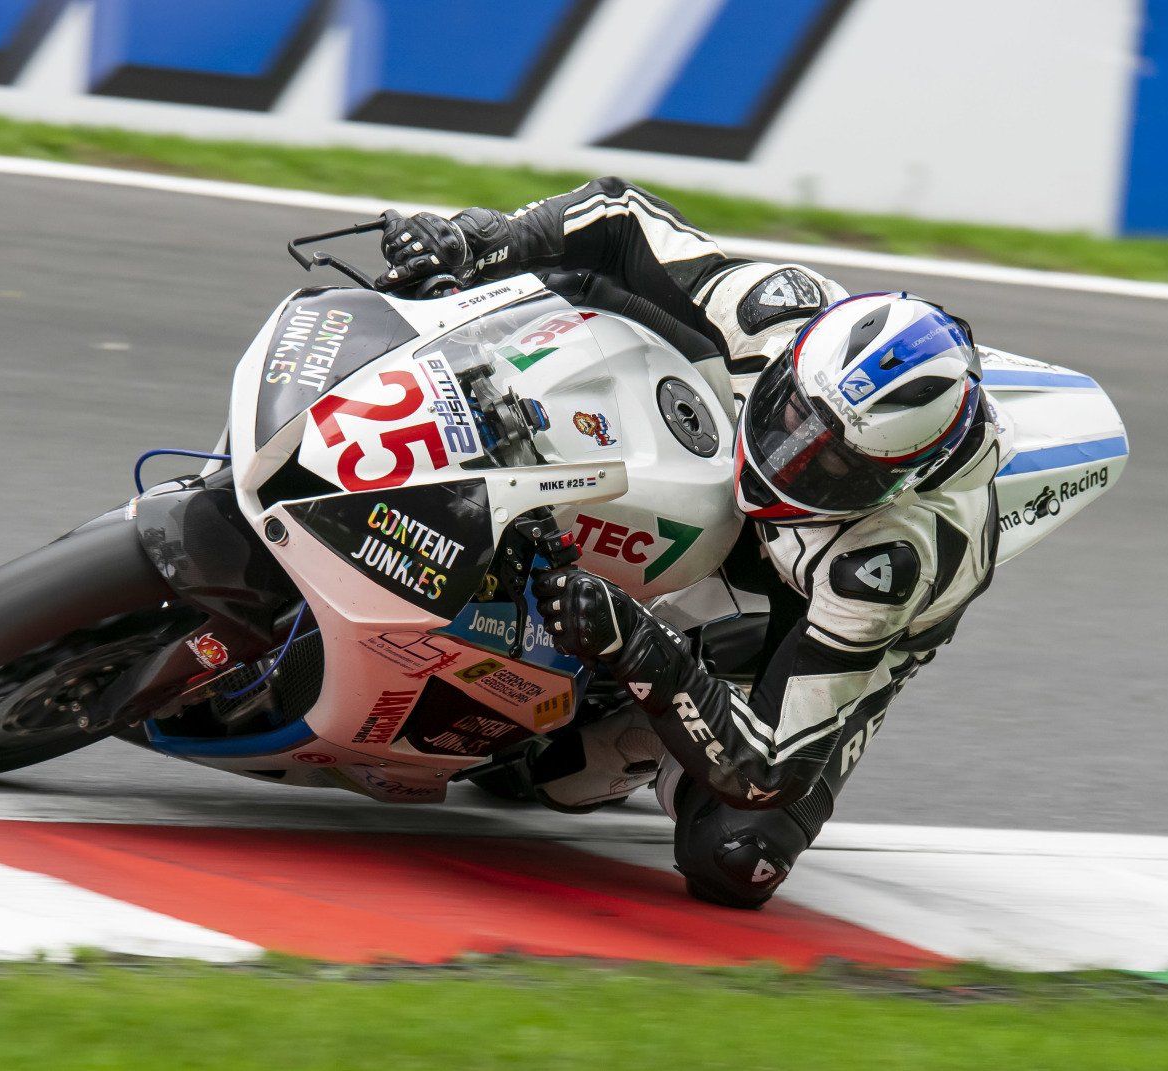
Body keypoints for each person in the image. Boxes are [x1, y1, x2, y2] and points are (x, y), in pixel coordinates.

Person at [378, 178, 1001, 909]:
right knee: (574, 282)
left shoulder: (892, 562)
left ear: (894, 480)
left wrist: (638, 647)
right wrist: (478, 238)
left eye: (830, 462)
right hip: (751, 501)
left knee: (729, 855)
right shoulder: (783, 314)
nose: (791, 450)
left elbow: (765, 767)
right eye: (793, 412)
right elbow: (617, 216)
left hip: (813, 612)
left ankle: (644, 724)